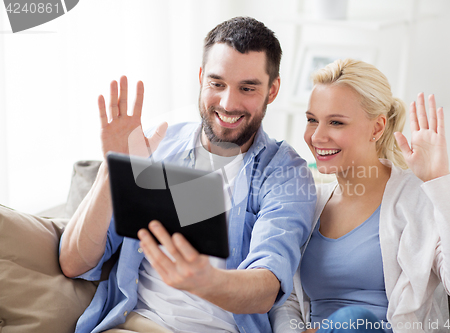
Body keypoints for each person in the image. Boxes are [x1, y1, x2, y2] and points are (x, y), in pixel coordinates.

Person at [59, 17, 316, 333]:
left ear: (272, 90)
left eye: (247, 88)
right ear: (200, 77)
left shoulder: (284, 173)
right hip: (136, 325)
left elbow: (266, 287)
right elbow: (73, 263)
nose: (227, 103)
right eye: (217, 83)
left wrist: (206, 281)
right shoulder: (156, 145)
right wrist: (113, 171)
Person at [269, 59, 450, 333]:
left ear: (377, 128)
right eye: (312, 120)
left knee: (350, 321)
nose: (317, 136)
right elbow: (286, 299)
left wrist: (439, 180)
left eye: (336, 122)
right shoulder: (309, 202)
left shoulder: (416, 198)